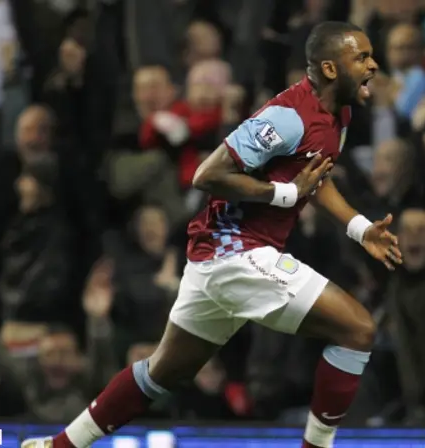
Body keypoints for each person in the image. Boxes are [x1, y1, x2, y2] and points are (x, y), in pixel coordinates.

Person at [22, 21, 401, 448]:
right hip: (238, 252)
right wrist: (284, 195)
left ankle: (58, 446)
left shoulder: (341, 113)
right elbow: (209, 174)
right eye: (362, 57)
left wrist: (360, 228)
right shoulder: (286, 117)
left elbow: (315, 176)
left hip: (216, 259)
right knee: (357, 329)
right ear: (331, 69)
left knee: (165, 371)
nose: (373, 65)